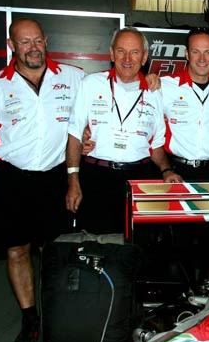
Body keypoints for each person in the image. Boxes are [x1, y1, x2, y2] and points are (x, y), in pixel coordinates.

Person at [0, 18, 85, 342]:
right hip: (11, 178)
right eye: (24, 42)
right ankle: (30, 317)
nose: (32, 47)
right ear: (12, 46)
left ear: (46, 42)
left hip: (56, 176)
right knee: (17, 249)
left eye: (37, 41)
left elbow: (100, 107)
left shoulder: (74, 79)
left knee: (55, 251)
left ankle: (57, 313)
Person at [66, 27, 179, 234]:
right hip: (96, 178)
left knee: (138, 247)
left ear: (144, 57)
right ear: (111, 53)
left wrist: (166, 170)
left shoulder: (156, 92)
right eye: (121, 51)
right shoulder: (91, 84)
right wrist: (73, 180)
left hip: (139, 179)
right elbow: (74, 135)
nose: (127, 58)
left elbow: (156, 145)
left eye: (135, 52)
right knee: (95, 245)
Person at [160, 27, 209, 181]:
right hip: (177, 171)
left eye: (208, 52)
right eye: (196, 51)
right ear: (187, 54)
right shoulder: (164, 85)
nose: (202, 59)